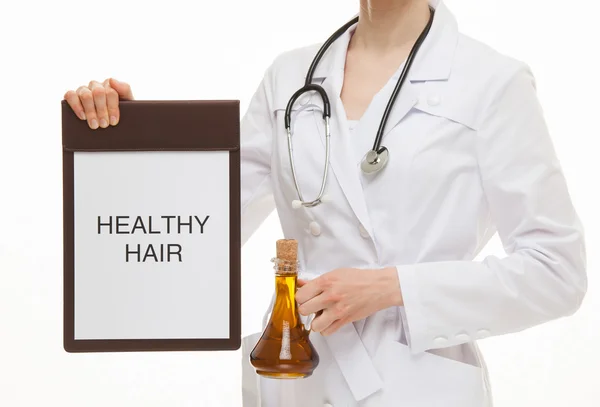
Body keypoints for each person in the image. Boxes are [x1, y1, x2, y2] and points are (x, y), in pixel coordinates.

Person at [63, 0, 587, 406]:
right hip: (297, 372)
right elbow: (198, 226)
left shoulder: (492, 83)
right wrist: (121, 143)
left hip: (418, 383)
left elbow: (557, 271)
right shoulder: (289, 79)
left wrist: (392, 287)